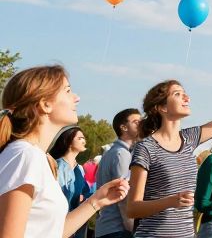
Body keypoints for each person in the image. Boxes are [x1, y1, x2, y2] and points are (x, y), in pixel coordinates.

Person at [126, 55, 212, 238]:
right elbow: (132, 208)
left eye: (184, 93)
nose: (186, 97)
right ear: (162, 107)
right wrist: (170, 201)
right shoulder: (146, 148)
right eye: (177, 94)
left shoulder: (189, 139)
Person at [0, 65, 128, 238]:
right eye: (68, 91)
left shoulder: (36, 157)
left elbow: (53, 232)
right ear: (45, 104)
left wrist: (96, 201)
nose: (76, 98)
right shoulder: (25, 155)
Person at [95, 107, 141, 238]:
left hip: (108, 227)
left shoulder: (113, 152)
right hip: (117, 228)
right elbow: (123, 196)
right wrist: (132, 229)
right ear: (124, 127)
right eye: (136, 122)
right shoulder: (121, 154)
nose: (141, 125)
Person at [49, 125, 91, 238]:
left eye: (84, 138)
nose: (84, 141)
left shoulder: (80, 168)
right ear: (68, 142)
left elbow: (86, 192)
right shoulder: (59, 166)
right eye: (80, 138)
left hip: (76, 225)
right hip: (61, 225)